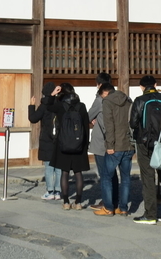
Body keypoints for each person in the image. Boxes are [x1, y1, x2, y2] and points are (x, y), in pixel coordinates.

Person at [129, 75, 161, 224]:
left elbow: (133, 123)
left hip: (144, 143)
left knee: (148, 178)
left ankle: (150, 214)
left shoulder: (139, 100)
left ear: (141, 87)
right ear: (156, 84)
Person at [92, 82, 134, 216]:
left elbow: (109, 126)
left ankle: (108, 207)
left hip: (115, 146)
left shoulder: (108, 102)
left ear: (105, 92)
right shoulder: (128, 100)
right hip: (128, 144)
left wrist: (109, 145)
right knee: (126, 178)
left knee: (106, 176)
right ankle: (123, 208)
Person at [49, 82, 90, 209]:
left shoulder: (60, 106)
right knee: (78, 173)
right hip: (79, 144)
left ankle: (66, 202)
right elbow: (85, 127)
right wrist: (85, 144)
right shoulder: (81, 106)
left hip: (63, 144)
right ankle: (78, 203)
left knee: (64, 172)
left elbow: (47, 106)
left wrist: (52, 95)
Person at [29, 81, 61, 200]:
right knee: (58, 167)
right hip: (59, 138)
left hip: (46, 139)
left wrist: (31, 105)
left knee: (49, 166)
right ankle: (58, 191)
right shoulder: (59, 104)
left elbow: (33, 119)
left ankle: (50, 191)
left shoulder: (43, 106)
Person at [88, 72, 111, 209]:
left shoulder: (100, 100)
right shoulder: (119, 97)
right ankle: (115, 201)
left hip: (101, 141)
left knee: (104, 174)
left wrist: (94, 120)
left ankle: (106, 202)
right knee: (112, 173)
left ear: (100, 85)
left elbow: (89, 115)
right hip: (116, 140)